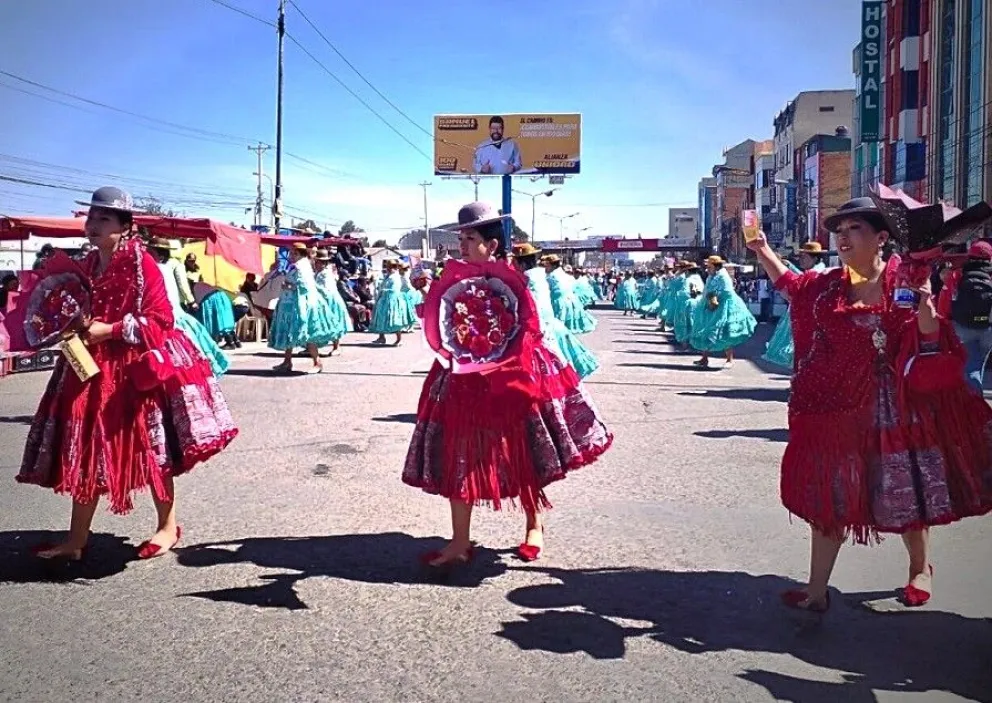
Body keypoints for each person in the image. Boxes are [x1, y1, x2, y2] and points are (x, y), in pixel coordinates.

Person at [746, 195, 992, 612]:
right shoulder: (826, 285)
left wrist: (926, 303)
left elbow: (930, 339)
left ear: (881, 237)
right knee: (833, 493)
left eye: (853, 229)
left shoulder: (906, 278)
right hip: (837, 407)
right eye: (838, 232)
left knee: (907, 491)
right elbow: (791, 287)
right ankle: (817, 589)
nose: (842, 238)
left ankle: (920, 568)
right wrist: (762, 250)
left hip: (897, 408)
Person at [18, 187, 237, 562]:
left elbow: (161, 321)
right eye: (91, 218)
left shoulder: (142, 263)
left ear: (125, 226)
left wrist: (111, 330)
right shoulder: (86, 265)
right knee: (85, 451)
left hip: (133, 376)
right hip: (87, 369)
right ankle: (75, 539)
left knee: (152, 452)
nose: (93, 225)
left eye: (104, 219)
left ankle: (168, 526)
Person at [403, 202, 612, 570]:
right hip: (464, 376)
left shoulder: (519, 278)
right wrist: (427, 296)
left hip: (515, 372)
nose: (462, 245)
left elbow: (532, 321)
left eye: (470, 238)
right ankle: (460, 540)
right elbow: (443, 317)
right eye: (461, 238)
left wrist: (504, 348)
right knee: (459, 452)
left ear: (492, 245)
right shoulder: (453, 277)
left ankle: (535, 525)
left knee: (522, 450)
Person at [513, 242, 599, 378]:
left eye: (514, 262)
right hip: (551, 323)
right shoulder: (541, 276)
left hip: (540, 329)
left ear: (522, 264)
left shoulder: (527, 279)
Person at [148, 237, 229, 377]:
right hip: (170, 308)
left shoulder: (171, 265)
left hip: (173, 309)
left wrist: (191, 301)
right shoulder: (163, 265)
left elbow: (182, 285)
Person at [268, 242, 337, 374]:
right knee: (291, 332)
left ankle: (317, 362)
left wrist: (288, 286)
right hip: (291, 303)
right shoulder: (300, 266)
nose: (289, 256)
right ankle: (287, 361)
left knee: (306, 333)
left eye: (292, 253)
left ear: (297, 253)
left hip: (299, 305)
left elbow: (302, 286)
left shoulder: (301, 267)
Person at [949, 241, 992, 393]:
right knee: (978, 364)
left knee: (970, 365)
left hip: (963, 326)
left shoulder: (958, 274)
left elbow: (946, 299)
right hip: (987, 327)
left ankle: (975, 405)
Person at [313, 248, 352, 356]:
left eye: (317, 262)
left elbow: (326, 289)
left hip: (331, 301)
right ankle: (312, 347)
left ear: (323, 263)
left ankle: (336, 346)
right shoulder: (318, 273)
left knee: (334, 322)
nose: (315, 263)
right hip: (322, 300)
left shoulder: (326, 273)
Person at [369, 260, 408, 346]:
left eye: (390, 267)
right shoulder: (387, 276)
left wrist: (385, 290)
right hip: (383, 300)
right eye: (388, 267)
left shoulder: (396, 277)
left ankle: (399, 339)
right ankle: (381, 337)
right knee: (381, 317)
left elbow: (396, 288)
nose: (388, 269)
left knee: (395, 318)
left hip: (393, 300)